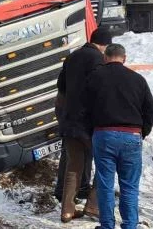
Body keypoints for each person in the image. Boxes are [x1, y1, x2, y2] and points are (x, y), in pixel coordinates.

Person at [83, 44, 153, 229]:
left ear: (105, 58)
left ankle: (107, 225)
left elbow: (83, 108)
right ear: (124, 58)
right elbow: (150, 110)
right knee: (130, 185)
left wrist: (91, 129)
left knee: (105, 183)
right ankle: (130, 224)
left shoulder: (94, 78)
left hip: (104, 134)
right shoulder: (138, 79)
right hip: (132, 135)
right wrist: (142, 132)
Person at [55, 27, 112, 222]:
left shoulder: (72, 57)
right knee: (106, 163)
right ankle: (93, 206)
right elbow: (100, 88)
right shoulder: (98, 59)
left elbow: (61, 86)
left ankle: (67, 210)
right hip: (87, 123)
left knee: (74, 167)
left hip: (69, 120)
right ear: (105, 45)